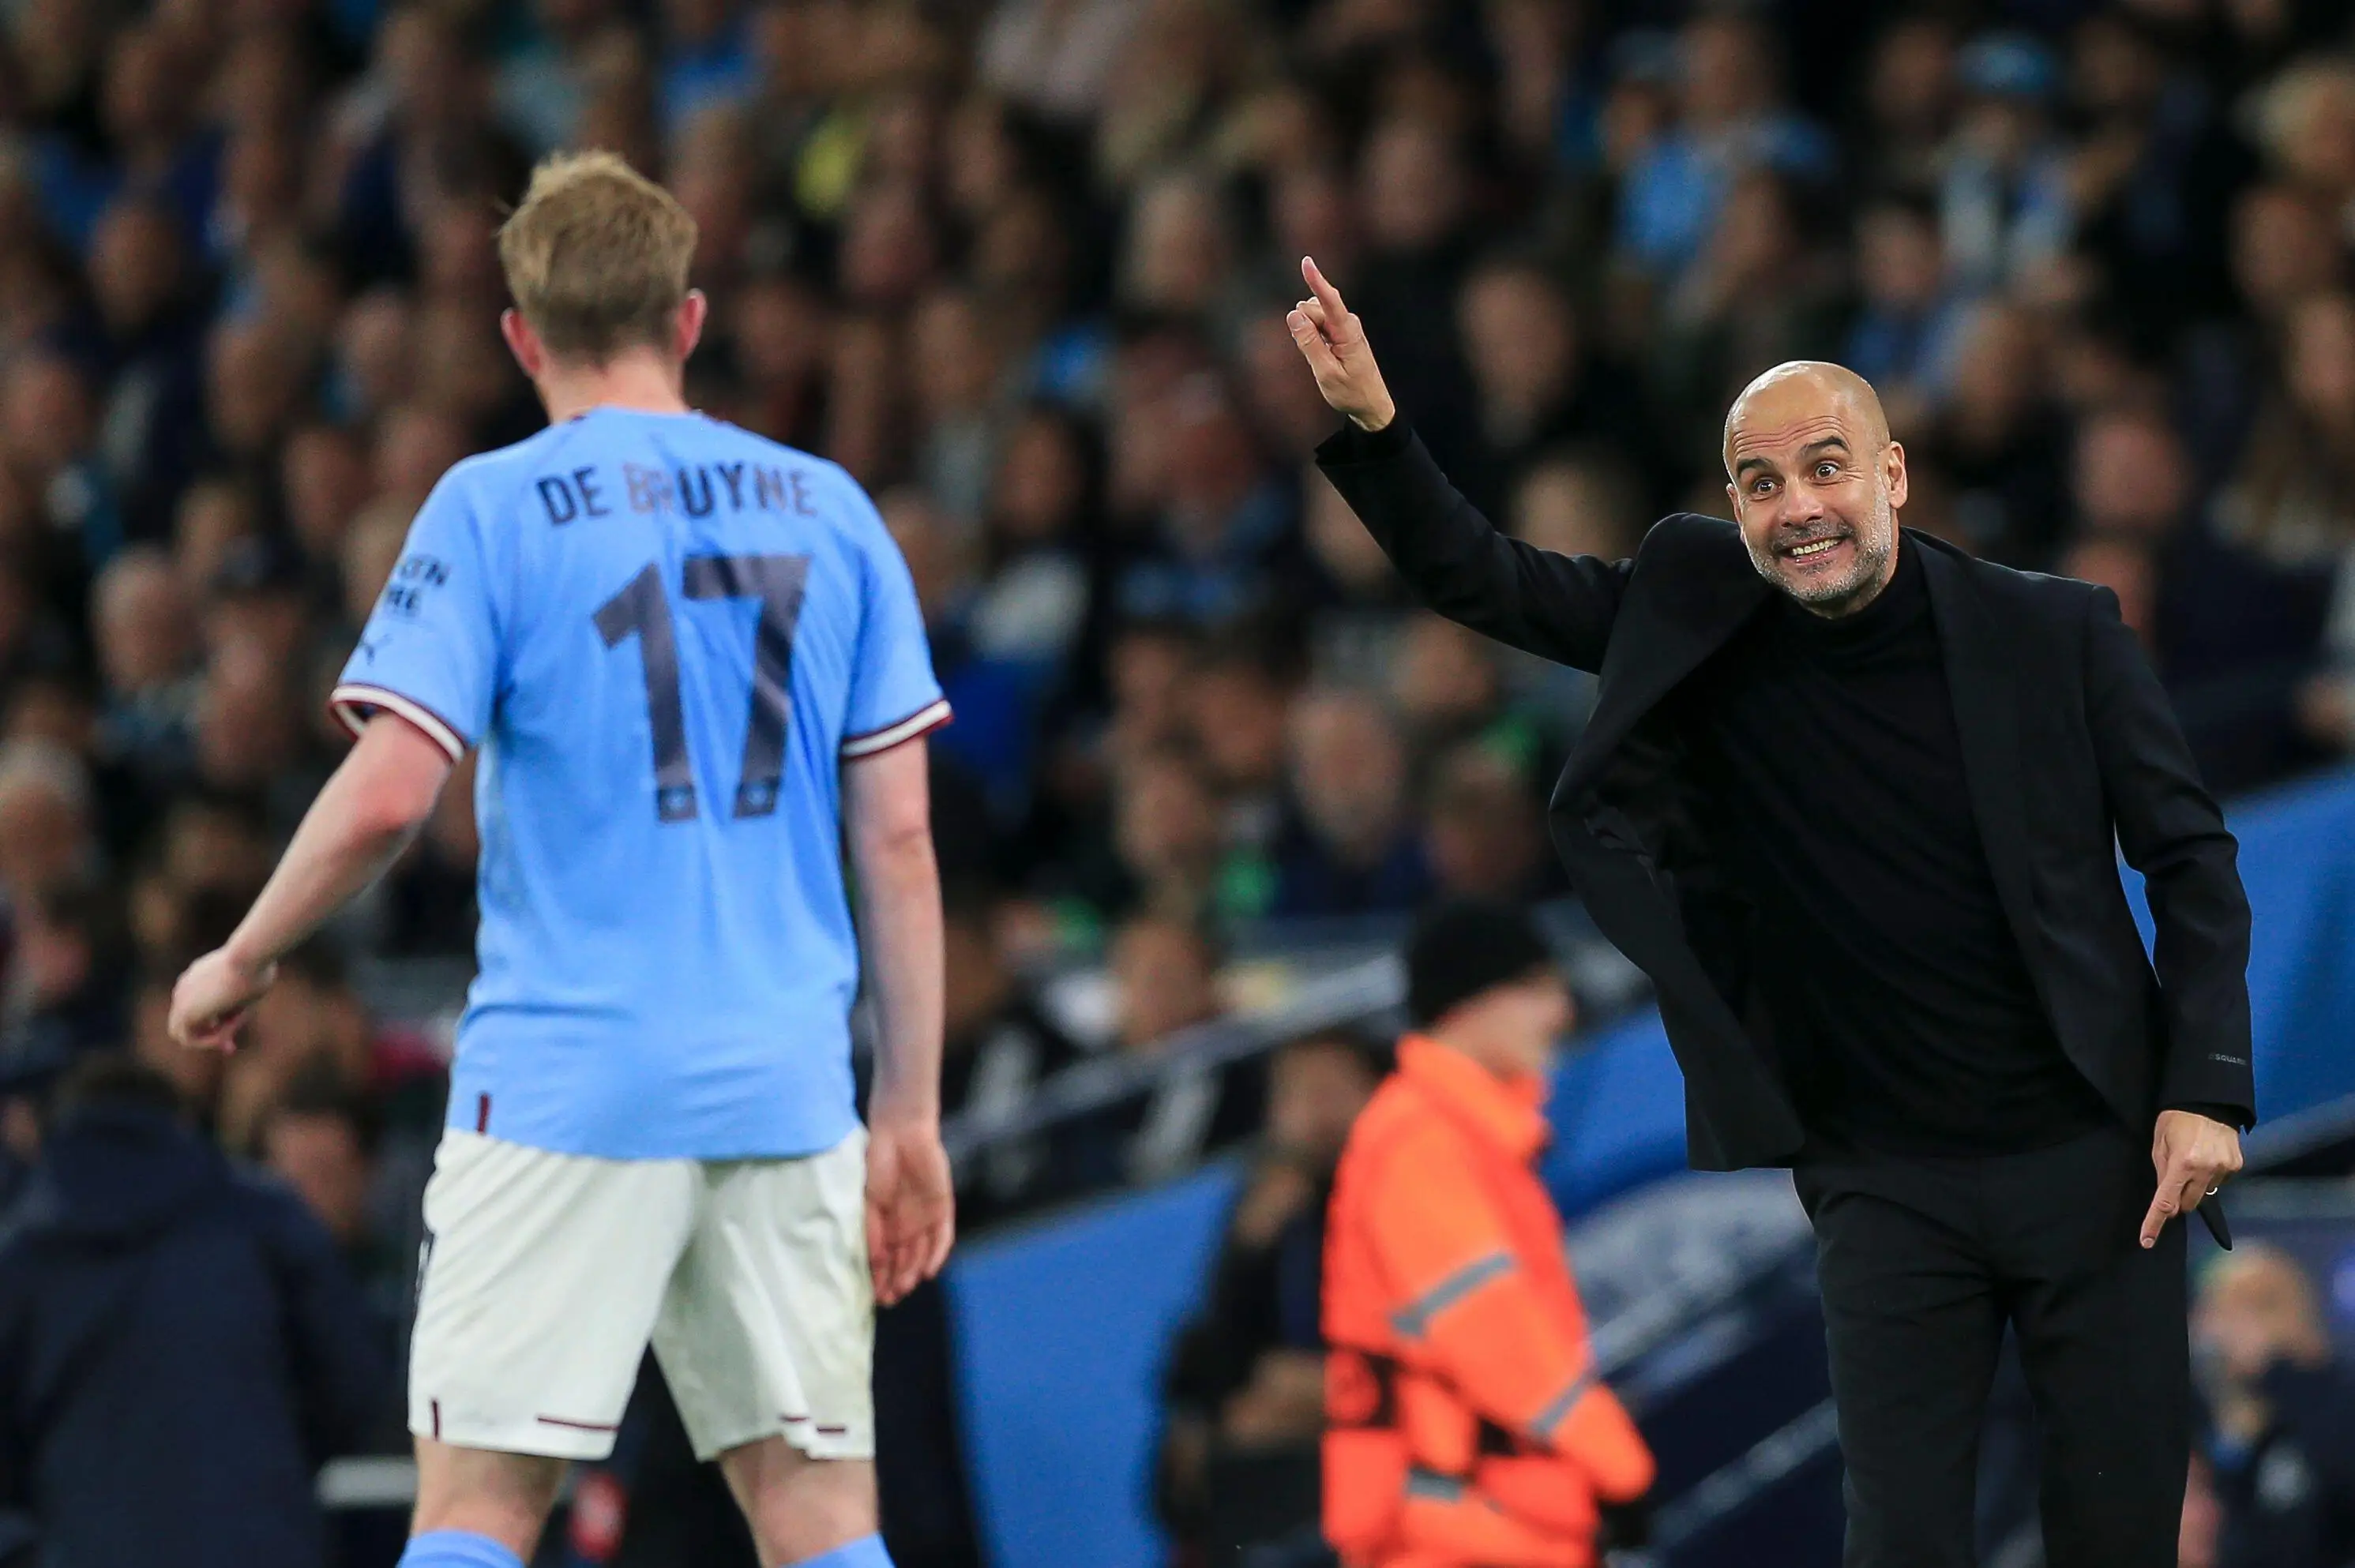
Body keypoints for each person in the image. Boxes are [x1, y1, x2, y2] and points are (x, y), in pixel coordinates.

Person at [1288, 257, 2252, 1568]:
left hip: (2095, 1161)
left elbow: (2188, 855)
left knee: (2117, 1536)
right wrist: (1378, 428)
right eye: (1758, 481)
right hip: (1882, 1178)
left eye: (1824, 467)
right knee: (1898, 1544)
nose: (1797, 506)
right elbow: (1486, 580)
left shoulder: (2055, 631)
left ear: (1891, 475)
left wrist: (2203, 1086)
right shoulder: (1699, 615)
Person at [164, 152, 954, 1568]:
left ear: (521, 337)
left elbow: (391, 790)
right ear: (688, 320)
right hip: (783, 1087)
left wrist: (245, 952)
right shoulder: (833, 510)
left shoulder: (494, 506)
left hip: (563, 1085)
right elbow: (896, 838)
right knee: (819, 1522)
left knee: (479, 1508)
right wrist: (907, 1110)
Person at [1322, 901, 1654, 1568]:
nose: (1560, 1011)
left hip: (1484, 1524)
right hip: (1455, 1532)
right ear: (1466, 1004)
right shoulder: (1421, 1144)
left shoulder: (1452, 1135)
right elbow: (1494, 1337)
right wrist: (1619, 1465)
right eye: (1535, 988)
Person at [0, 1054, 392, 1568]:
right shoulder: (265, 1221)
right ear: (182, 1124)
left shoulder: (21, 1257)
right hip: (257, 1544)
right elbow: (355, 1387)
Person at [2192, 1245, 2355, 1567]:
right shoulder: (2202, 1401)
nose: (2216, 1331)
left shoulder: (2337, 1395)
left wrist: (2276, 1372)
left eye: (2250, 1311)